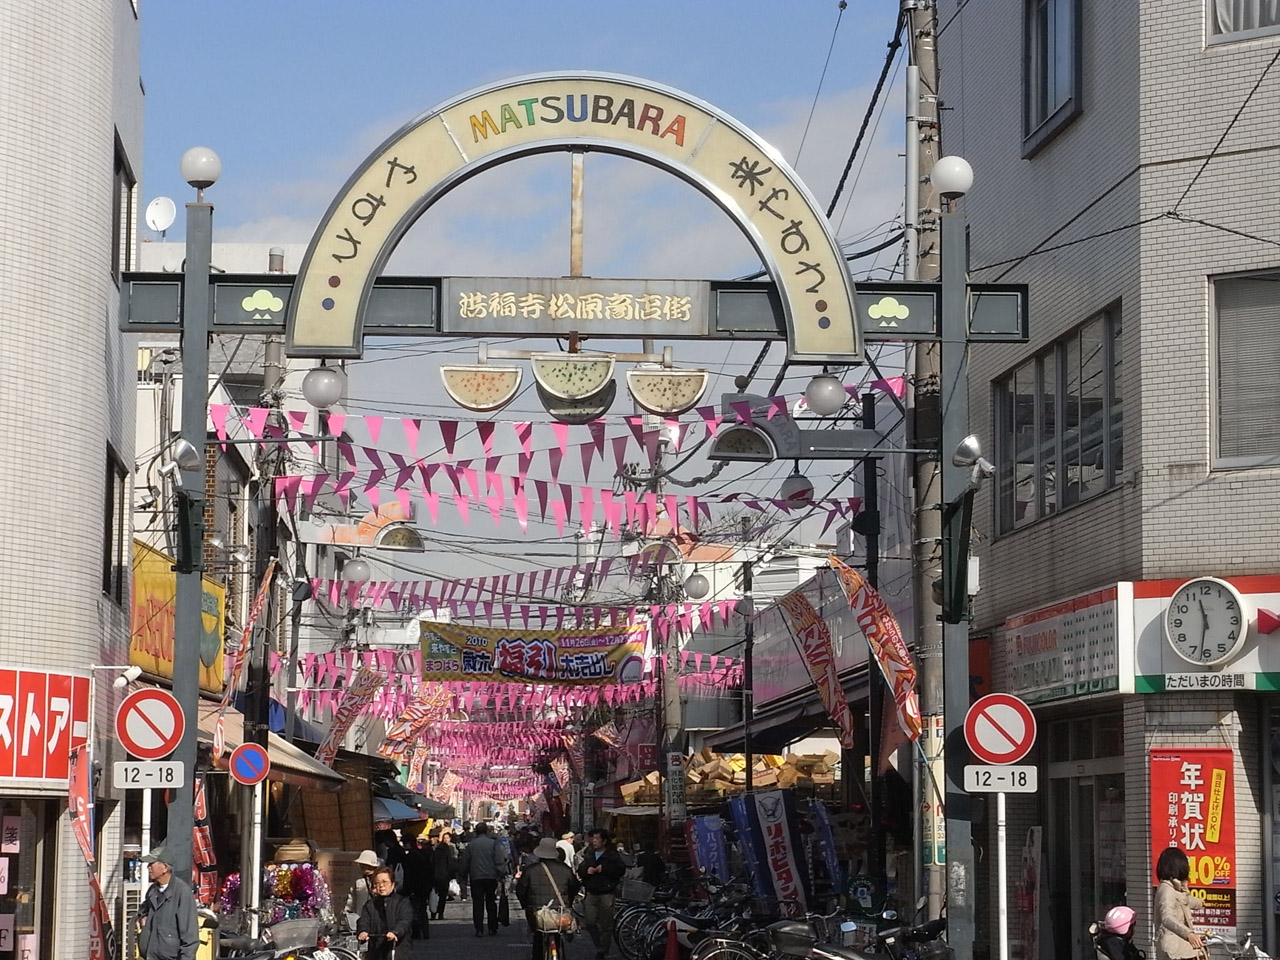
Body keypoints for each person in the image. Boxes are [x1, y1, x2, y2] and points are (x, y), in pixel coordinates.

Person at [516, 837, 581, 960]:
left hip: (537, 910)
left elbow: (521, 890)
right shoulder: (565, 869)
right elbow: (574, 887)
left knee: (538, 936)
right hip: (559, 910)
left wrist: (525, 904)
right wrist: (568, 902)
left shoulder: (530, 870)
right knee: (557, 934)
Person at [135, 845, 198, 960]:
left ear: (164, 867)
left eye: (151, 864)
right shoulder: (152, 890)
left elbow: (190, 936)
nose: (148, 868)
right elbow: (143, 911)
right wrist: (143, 921)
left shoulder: (182, 892)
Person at [576, 828, 626, 960]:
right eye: (593, 838)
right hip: (591, 891)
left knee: (606, 924)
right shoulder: (589, 854)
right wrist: (587, 870)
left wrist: (604, 869)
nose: (594, 841)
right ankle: (599, 944)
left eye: (597, 839)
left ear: (604, 841)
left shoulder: (612, 855)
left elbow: (620, 870)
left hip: (606, 892)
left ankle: (602, 950)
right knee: (589, 921)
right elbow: (580, 869)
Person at [460, 821, 509, 936]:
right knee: (491, 901)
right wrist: (501, 873)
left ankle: (479, 929)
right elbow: (499, 859)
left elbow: (465, 861)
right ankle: (492, 927)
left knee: (477, 903)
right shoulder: (493, 843)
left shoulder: (471, 845)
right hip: (491, 876)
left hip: (476, 876)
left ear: (476, 831)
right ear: (487, 831)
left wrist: (462, 874)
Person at [1154, 847, 1204, 960]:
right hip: (1173, 951)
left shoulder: (1174, 888)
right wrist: (1188, 934)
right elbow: (1167, 917)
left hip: (1180, 947)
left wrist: (1200, 903)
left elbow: (1184, 901)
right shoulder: (1166, 890)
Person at [358, 866, 414, 960]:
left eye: (384, 882)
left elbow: (405, 921)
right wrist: (363, 931)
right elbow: (364, 920)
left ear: (392, 884)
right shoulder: (370, 904)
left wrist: (395, 932)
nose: (381, 886)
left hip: (398, 950)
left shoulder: (403, 902)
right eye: (377, 883)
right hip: (376, 950)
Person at [343, 849, 382, 923]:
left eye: (365, 865)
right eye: (362, 865)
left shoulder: (381, 878)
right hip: (361, 916)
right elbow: (352, 896)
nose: (363, 867)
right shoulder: (358, 880)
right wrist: (347, 910)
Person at [432, 830, 460, 919]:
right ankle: (440, 913)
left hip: (435, 876)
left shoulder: (435, 851)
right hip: (444, 876)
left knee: (434, 895)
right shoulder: (447, 851)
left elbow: (431, 863)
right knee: (443, 896)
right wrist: (452, 875)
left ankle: (433, 912)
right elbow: (450, 864)